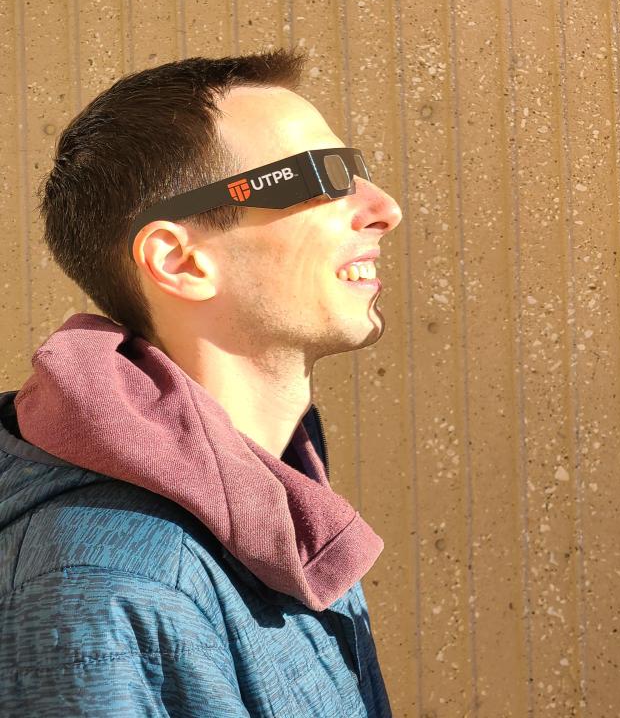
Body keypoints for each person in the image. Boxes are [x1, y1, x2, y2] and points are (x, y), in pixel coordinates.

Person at [0, 52, 402, 715]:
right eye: (325, 177)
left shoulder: (280, 503)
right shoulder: (106, 582)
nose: (384, 208)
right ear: (179, 260)